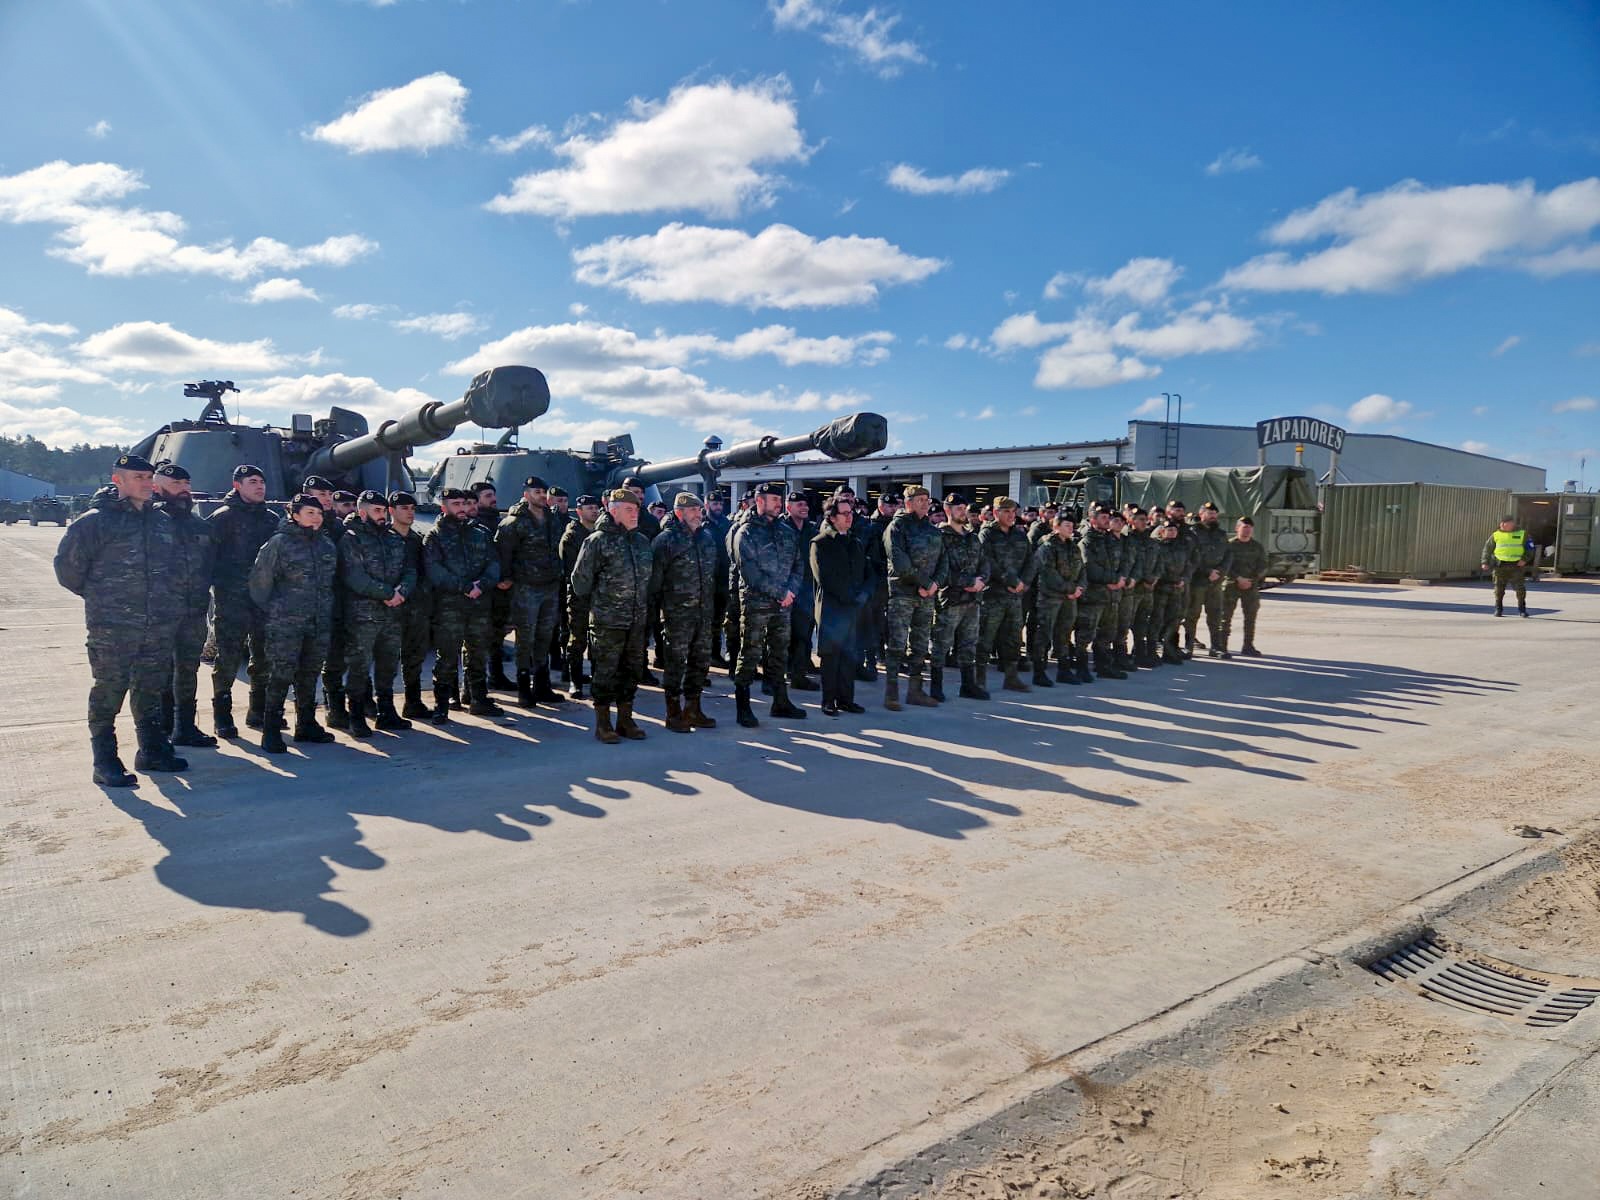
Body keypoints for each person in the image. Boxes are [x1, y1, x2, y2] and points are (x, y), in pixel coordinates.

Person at [54, 453, 185, 785]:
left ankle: (152, 750)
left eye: (149, 477)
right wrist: (104, 598)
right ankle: (105, 760)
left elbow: (173, 569)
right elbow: (68, 571)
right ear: (118, 481)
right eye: (138, 477)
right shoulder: (95, 522)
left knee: (151, 688)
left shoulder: (162, 521)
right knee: (109, 690)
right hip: (112, 626)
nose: (147, 483)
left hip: (157, 623)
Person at [247, 494, 340, 753]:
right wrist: (277, 611)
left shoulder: (326, 545)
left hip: (318, 621)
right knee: (280, 675)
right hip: (286, 623)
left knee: (309, 673)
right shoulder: (279, 543)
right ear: (294, 515)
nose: (317, 518)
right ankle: (272, 730)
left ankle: (306, 724)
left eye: (319, 513)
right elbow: (259, 584)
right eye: (310, 512)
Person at [570, 488, 653, 743]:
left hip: (636, 620)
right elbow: (580, 582)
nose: (634, 513)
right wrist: (603, 603)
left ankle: (625, 720)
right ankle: (603, 723)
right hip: (608, 622)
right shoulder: (597, 540)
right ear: (614, 510)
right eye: (629, 509)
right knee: (605, 672)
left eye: (637, 509)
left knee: (632, 671)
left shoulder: (640, 541)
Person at [208, 464, 279, 737]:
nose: (260, 486)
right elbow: (208, 559)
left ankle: (257, 711)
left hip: (263, 600)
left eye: (262, 481)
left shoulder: (271, 519)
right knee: (228, 657)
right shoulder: (222, 518)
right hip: (231, 600)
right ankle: (223, 716)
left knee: (263, 657)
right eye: (252, 481)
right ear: (237, 485)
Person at [339, 490, 416, 736]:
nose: (382, 516)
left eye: (384, 511)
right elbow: (354, 576)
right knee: (359, 666)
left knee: (388, 665)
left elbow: (410, 570)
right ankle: (357, 715)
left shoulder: (394, 539)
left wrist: (402, 591)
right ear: (362, 513)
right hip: (363, 615)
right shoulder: (351, 539)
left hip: (392, 615)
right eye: (377, 511)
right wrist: (387, 593)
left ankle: (386, 712)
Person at [152, 462, 218, 748]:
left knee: (188, 669)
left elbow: (211, 564)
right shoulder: (149, 521)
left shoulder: (198, 524)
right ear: (157, 487)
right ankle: (161, 727)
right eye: (177, 485)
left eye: (187, 485)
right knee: (159, 671)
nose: (184, 490)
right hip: (159, 612)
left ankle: (185, 726)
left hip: (193, 611)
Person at [731, 481, 806, 728]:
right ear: (760, 501)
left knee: (779, 653)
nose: (778, 504)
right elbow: (750, 573)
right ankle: (743, 707)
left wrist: (791, 592)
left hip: (783, 604)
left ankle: (781, 702)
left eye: (779, 499)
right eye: (773, 499)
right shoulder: (746, 532)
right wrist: (780, 592)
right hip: (756, 603)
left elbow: (798, 564)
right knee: (750, 653)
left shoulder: (786, 530)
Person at [424, 487, 502, 723]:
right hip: (450, 604)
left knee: (478, 652)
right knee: (447, 655)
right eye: (455, 504)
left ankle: (478, 698)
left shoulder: (481, 532)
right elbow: (435, 571)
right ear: (444, 508)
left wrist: (483, 584)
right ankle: (442, 704)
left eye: (463, 504)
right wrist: (465, 586)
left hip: (479, 603)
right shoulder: (435, 536)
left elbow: (494, 562)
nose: (462, 509)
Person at [650, 492, 720, 733]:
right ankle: (673, 712)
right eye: (693, 510)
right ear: (679, 512)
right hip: (676, 615)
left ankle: (693, 708)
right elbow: (655, 583)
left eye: (700, 510)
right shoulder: (665, 540)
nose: (698, 514)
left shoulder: (707, 539)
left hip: (704, 613)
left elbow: (713, 576)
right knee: (675, 664)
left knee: (700, 663)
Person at [495, 475, 566, 708]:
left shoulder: (553, 519)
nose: (542, 496)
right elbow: (503, 553)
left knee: (545, 636)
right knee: (525, 638)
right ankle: (524, 688)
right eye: (536, 492)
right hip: (526, 587)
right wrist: (505, 579)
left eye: (544, 492)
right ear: (526, 495)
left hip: (549, 586)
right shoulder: (514, 522)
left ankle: (542, 686)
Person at [884, 484, 944, 710]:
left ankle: (916, 691)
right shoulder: (896, 527)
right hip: (903, 594)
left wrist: (935, 584)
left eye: (927, 500)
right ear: (907, 503)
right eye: (920, 500)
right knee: (897, 644)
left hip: (926, 596)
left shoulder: (932, 530)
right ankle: (891, 693)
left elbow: (943, 561)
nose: (925, 503)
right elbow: (900, 562)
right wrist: (926, 583)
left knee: (920, 644)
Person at [810, 496, 869, 715]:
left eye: (851, 513)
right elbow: (824, 577)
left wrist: (862, 595)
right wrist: (849, 597)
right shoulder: (821, 543)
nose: (849, 517)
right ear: (833, 518)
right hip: (832, 609)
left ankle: (846, 699)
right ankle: (828, 700)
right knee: (830, 656)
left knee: (849, 655)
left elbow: (866, 573)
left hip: (853, 608)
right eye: (844, 513)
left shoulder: (855, 542)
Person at [932, 491, 989, 701]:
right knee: (941, 644)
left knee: (969, 643)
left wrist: (982, 580)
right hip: (950, 599)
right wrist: (968, 582)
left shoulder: (972, 537)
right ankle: (935, 687)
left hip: (973, 600)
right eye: (958, 509)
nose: (963, 512)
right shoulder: (939, 536)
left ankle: (968, 685)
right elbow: (941, 569)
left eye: (965, 508)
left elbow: (984, 562)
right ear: (947, 510)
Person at [977, 496, 1036, 693]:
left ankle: (1011, 677)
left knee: (1013, 638)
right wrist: (1010, 581)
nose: (1011, 516)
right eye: (1006, 512)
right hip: (993, 595)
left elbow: (1031, 561)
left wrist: (1024, 583)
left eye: (1013, 512)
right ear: (995, 513)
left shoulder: (1019, 535)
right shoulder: (987, 534)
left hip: (1015, 597)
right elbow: (987, 562)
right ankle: (979, 680)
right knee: (985, 639)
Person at [388, 491, 434, 719]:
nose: (410, 512)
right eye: (404, 508)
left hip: (416, 607)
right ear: (392, 511)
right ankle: (384, 707)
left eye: (412, 508)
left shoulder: (417, 539)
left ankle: (413, 701)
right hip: (390, 606)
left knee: (415, 656)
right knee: (386, 660)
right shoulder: (385, 538)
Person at [1031, 513, 1085, 685]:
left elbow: (1082, 570)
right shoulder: (1047, 546)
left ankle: (1064, 669)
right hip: (1050, 598)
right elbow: (1048, 573)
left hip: (1069, 598)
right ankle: (1039, 672)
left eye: (1072, 525)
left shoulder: (1073, 547)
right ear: (1056, 526)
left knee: (1064, 634)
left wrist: (1079, 588)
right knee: (1044, 633)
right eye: (1066, 525)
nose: (1071, 528)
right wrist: (1070, 589)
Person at [1076, 505, 1127, 680]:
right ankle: (1082, 668)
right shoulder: (1087, 541)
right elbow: (1090, 569)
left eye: (1108, 517)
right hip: (1093, 596)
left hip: (1111, 596)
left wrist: (1120, 579)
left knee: (1107, 633)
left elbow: (1124, 562)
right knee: (1085, 634)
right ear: (1092, 520)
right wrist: (1113, 579)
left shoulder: (1112, 540)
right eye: (1103, 517)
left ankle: (1103, 665)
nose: (1107, 520)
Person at [559, 493, 601, 700]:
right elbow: (571, 569)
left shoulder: (602, 532)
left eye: (596, 507)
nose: (594, 510)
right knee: (577, 638)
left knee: (598, 639)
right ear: (579, 511)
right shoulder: (572, 536)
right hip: (579, 594)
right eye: (589, 508)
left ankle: (596, 676)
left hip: (600, 596)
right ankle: (574, 680)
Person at [857, 491, 899, 681]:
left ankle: (885, 657)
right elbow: (866, 555)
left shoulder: (896, 526)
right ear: (880, 507)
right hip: (876, 581)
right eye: (889, 506)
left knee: (887, 623)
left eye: (894, 506)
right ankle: (870, 661)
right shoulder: (871, 527)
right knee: (872, 623)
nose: (893, 509)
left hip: (891, 580)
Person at [1184, 500, 1231, 657]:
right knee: (1192, 615)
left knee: (1215, 615)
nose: (1213, 517)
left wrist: (1220, 571)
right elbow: (1190, 557)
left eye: (1215, 514)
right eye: (1209, 514)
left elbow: (1228, 555)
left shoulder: (1221, 534)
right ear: (1201, 514)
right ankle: (1189, 646)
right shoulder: (1192, 533)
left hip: (1215, 582)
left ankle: (1216, 647)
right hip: (1198, 581)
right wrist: (1207, 572)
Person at [784, 490, 821, 691]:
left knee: (803, 635)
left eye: (806, 504)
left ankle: (799, 673)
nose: (804, 507)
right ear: (788, 507)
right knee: (781, 636)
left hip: (806, 590)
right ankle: (779, 675)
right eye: (799, 504)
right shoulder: (781, 528)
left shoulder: (812, 530)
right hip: (785, 590)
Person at [1220, 516, 1268, 656]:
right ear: (1237, 529)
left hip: (1250, 586)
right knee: (1225, 617)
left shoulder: (1257, 546)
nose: (1247, 531)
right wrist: (1238, 579)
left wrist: (1251, 580)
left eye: (1249, 528)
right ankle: (1222, 646)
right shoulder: (1230, 545)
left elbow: (1263, 565)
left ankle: (1248, 646)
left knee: (1250, 617)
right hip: (1231, 585)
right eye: (1244, 527)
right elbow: (1225, 566)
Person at [1151, 518, 1192, 664]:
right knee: (1157, 620)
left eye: (1174, 530)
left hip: (1177, 589)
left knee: (1174, 621)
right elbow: (1155, 567)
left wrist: (1184, 579)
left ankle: (1170, 651)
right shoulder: (1157, 547)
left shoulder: (1181, 547)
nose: (1172, 532)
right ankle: (1152, 650)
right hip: (1161, 589)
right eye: (1169, 530)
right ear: (1162, 531)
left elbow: (1188, 566)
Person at [1481, 515, 1533, 617]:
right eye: (1502, 524)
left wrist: (1524, 559)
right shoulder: (1495, 535)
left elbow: (1530, 548)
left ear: (1512, 524)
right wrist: (1484, 562)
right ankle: (1498, 609)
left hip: (1516, 566)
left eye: (1507, 524)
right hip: (1500, 566)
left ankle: (1522, 609)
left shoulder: (1522, 534)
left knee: (1520, 589)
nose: (1503, 526)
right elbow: (1487, 549)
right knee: (1498, 590)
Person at [705, 490, 733, 668]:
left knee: (719, 619)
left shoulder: (726, 524)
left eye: (720, 504)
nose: (718, 507)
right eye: (714, 504)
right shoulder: (701, 524)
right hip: (708, 580)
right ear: (707, 505)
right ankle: (708, 655)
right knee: (707, 621)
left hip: (723, 579)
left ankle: (715, 654)